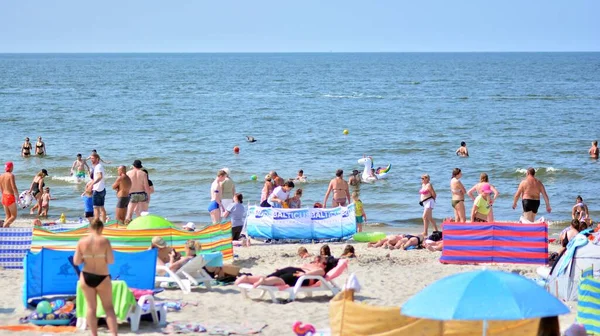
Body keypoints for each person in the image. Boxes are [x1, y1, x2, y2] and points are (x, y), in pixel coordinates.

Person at [73, 219, 117, 336]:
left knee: (91, 308)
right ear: (101, 228)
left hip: (87, 276)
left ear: (90, 228)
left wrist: (85, 258)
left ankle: (94, 334)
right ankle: (114, 334)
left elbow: (76, 261)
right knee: (108, 308)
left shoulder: (82, 242)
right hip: (102, 276)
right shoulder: (104, 241)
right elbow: (111, 261)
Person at [234, 255, 333, 288]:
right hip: (297, 273)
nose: (319, 262)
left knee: (277, 279)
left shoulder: (319, 269)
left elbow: (319, 273)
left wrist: (305, 273)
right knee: (280, 280)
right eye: (320, 261)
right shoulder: (317, 268)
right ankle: (257, 280)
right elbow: (318, 272)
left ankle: (249, 279)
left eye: (323, 262)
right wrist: (305, 274)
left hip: (298, 273)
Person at [0, 162, 18, 227]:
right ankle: (4, 227)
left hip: (4, 196)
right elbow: (14, 187)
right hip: (9, 196)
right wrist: (17, 196)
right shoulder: (11, 175)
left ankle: (6, 228)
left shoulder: (1, 176)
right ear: (11, 167)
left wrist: (3, 197)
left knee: (8, 216)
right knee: (14, 216)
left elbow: (1, 188)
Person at [89, 154, 107, 222]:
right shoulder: (98, 166)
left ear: (97, 159)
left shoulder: (98, 167)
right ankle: (104, 223)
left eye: (93, 158)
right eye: (91, 158)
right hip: (102, 189)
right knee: (101, 207)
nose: (91, 160)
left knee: (96, 208)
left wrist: (92, 184)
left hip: (97, 190)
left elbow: (100, 176)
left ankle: (96, 223)